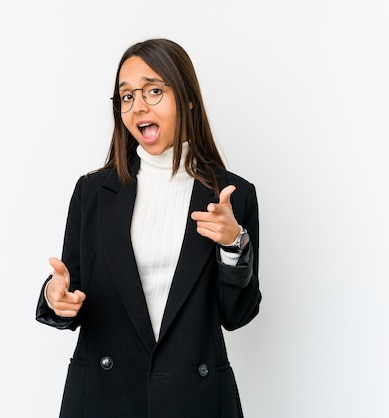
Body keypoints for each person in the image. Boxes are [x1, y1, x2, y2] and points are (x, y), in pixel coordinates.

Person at [36, 38, 261, 418]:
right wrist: (55, 296)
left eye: (154, 90)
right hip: (105, 399)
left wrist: (233, 243)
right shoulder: (92, 193)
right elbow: (66, 287)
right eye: (126, 96)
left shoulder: (231, 196)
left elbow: (237, 315)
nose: (138, 105)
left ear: (187, 99)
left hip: (195, 400)